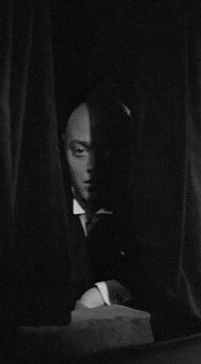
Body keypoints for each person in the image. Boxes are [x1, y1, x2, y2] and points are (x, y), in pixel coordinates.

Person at [64, 98, 151, 311]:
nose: (92, 165)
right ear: (63, 146)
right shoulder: (42, 215)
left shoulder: (146, 216)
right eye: (79, 151)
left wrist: (103, 293)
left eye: (106, 151)